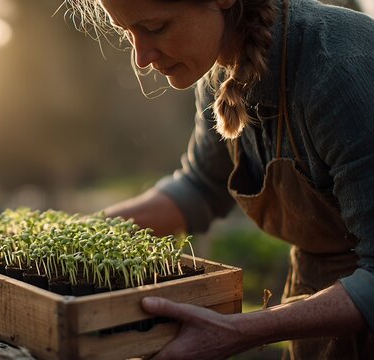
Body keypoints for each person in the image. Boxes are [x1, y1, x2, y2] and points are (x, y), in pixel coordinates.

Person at [63, 0, 374, 358]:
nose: (141, 58)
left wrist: (235, 331)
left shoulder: (337, 70)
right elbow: (201, 186)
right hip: (321, 305)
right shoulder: (219, 70)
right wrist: (80, 234)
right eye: (127, 33)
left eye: (154, 28)